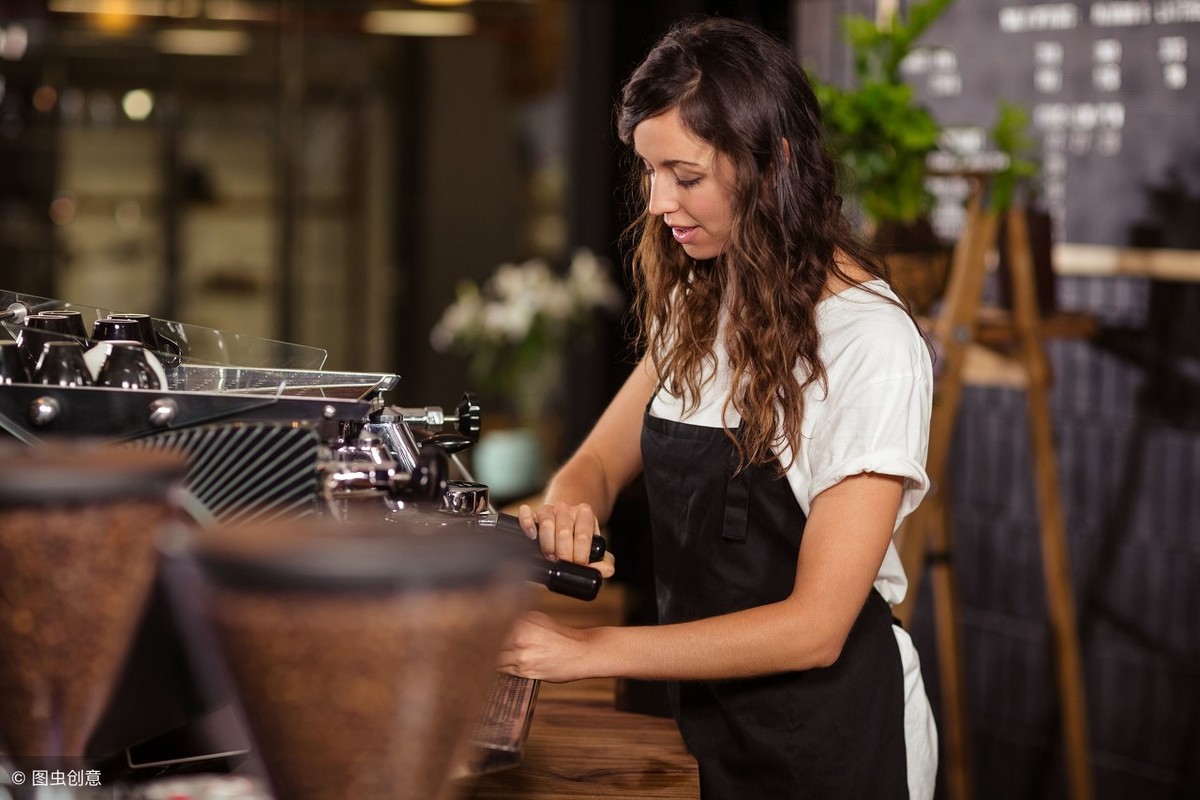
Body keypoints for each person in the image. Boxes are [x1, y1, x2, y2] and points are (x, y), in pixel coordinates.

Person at [501, 16, 938, 799]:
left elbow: (815, 628)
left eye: (687, 175)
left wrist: (586, 652)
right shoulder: (704, 301)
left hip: (834, 745)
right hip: (709, 728)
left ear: (774, 164)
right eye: (649, 171)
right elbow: (598, 461)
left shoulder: (871, 342)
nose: (660, 201)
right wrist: (568, 507)